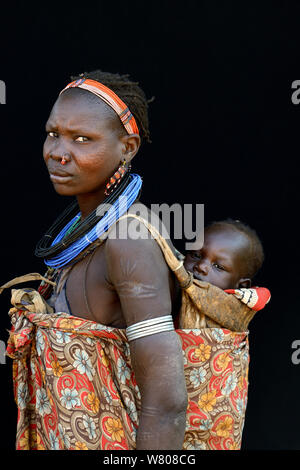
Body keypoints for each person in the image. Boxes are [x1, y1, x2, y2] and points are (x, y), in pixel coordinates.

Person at [6, 70, 187, 450]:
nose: (57, 151)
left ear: (128, 147)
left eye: (82, 139)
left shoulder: (128, 240)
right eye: (53, 133)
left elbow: (167, 403)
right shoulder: (80, 236)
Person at [180, 219, 271, 330]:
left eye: (218, 266)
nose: (201, 266)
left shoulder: (235, 309)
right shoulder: (171, 280)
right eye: (196, 255)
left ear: (242, 286)